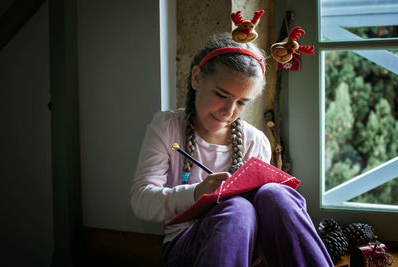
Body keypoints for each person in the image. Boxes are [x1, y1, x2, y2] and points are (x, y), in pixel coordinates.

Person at [130, 33, 333, 267]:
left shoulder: (255, 140)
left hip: (248, 249)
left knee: (275, 194)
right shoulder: (167, 126)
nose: (229, 110)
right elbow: (141, 200)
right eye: (221, 95)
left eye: (241, 102)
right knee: (237, 209)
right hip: (184, 247)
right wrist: (197, 193)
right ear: (197, 78)